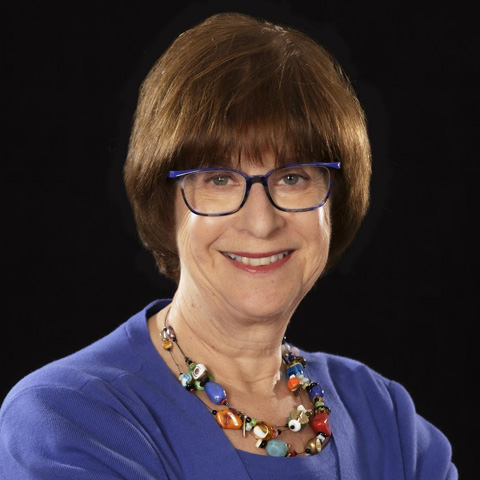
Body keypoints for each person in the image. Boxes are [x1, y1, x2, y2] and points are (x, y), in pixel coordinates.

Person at [0, 12, 457, 479]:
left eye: (293, 177)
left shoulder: (383, 415)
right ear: (165, 204)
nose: (261, 223)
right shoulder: (69, 419)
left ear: (335, 203)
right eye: (219, 179)